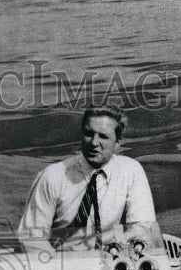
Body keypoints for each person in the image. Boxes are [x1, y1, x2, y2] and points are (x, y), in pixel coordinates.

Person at [18, 105, 167, 257]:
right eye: (89, 134)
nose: (94, 143)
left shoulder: (131, 171)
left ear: (118, 142)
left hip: (111, 263)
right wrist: (57, 268)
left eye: (103, 136)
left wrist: (116, 254)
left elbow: (142, 228)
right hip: (61, 263)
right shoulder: (53, 176)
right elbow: (31, 237)